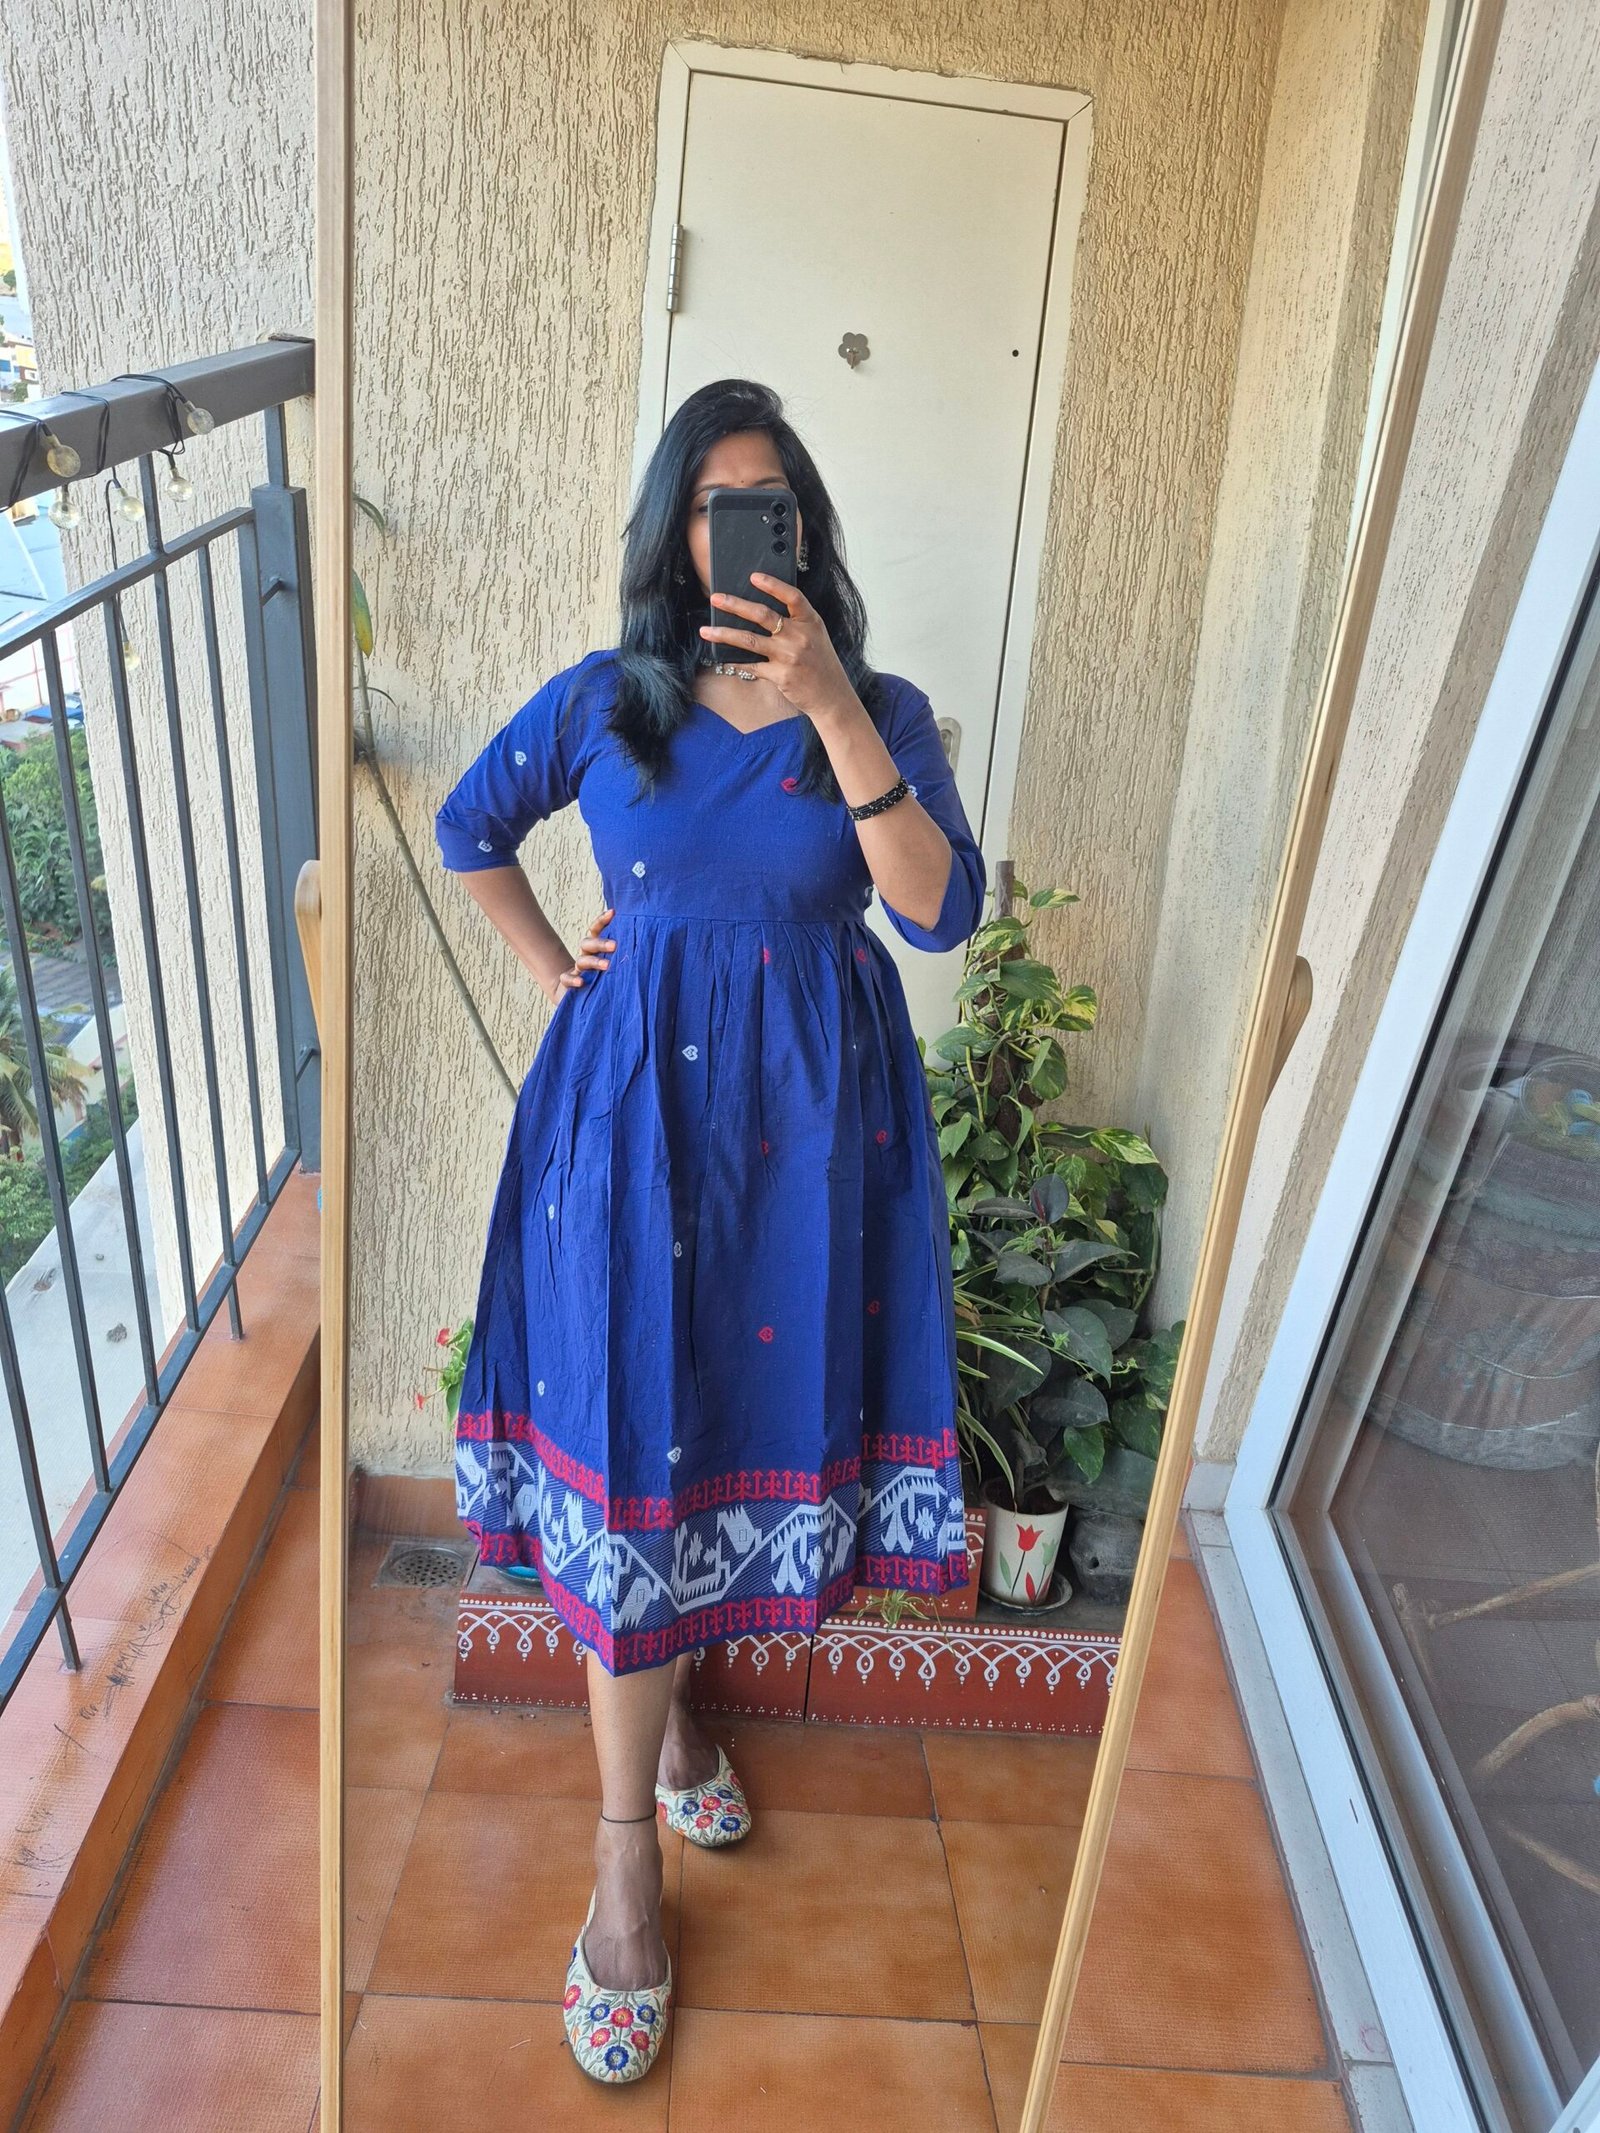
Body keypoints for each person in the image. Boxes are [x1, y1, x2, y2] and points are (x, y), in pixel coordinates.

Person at [434, 377, 987, 2083]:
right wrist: (554, 963)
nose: (750, 530)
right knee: (631, 1448)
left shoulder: (878, 711)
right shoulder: (611, 701)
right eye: (718, 503)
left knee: (725, 1426)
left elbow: (938, 911)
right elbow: (469, 827)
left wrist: (830, 703)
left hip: (808, 1159)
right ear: (675, 534)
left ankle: (679, 1735)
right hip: (631, 1138)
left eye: (777, 504)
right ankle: (625, 1862)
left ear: (805, 532)